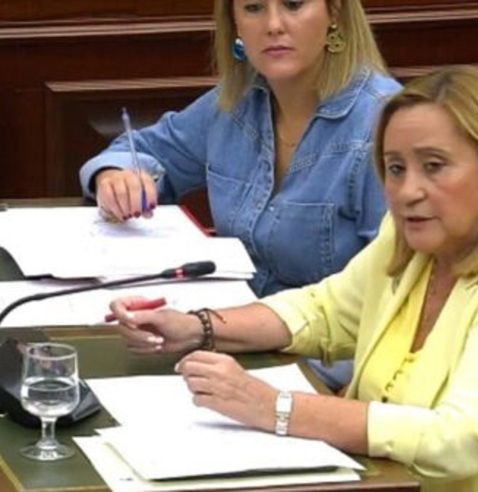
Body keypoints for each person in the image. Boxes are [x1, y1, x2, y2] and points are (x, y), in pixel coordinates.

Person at [109, 65, 478, 491]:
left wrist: (274, 408)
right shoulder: (417, 237)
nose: (408, 191)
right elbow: (326, 310)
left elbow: (461, 438)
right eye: (395, 168)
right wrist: (199, 326)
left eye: (434, 166)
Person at [81, 0, 400, 389]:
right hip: (226, 337)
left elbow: (391, 307)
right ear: (234, 24)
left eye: (294, 4)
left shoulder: (384, 125)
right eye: (253, 8)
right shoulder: (237, 101)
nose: (273, 24)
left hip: (322, 364)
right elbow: (147, 151)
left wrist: (228, 348)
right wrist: (115, 176)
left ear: (335, 12)